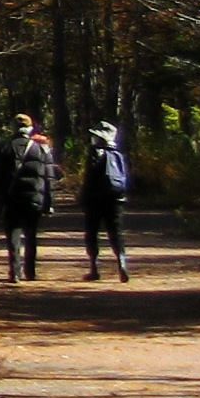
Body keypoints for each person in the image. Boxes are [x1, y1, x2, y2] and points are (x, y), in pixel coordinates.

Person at [0, 114, 58, 281]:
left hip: (12, 198)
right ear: (30, 128)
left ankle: (15, 271)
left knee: (13, 235)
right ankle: (30, 272)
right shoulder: (40, 149)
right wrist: (49, 202)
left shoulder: (5, 147)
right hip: (34, 198)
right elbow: (48, 178)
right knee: (31, 235)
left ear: (13, 128)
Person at [82, 121, 133, 282]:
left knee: (92, 233)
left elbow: (89, 177)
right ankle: (122, 263)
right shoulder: (118, 154)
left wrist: (84, 196)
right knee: (116, 233)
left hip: (96, 199)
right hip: (116, 199)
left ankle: (94, 267)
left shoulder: (94, 152)